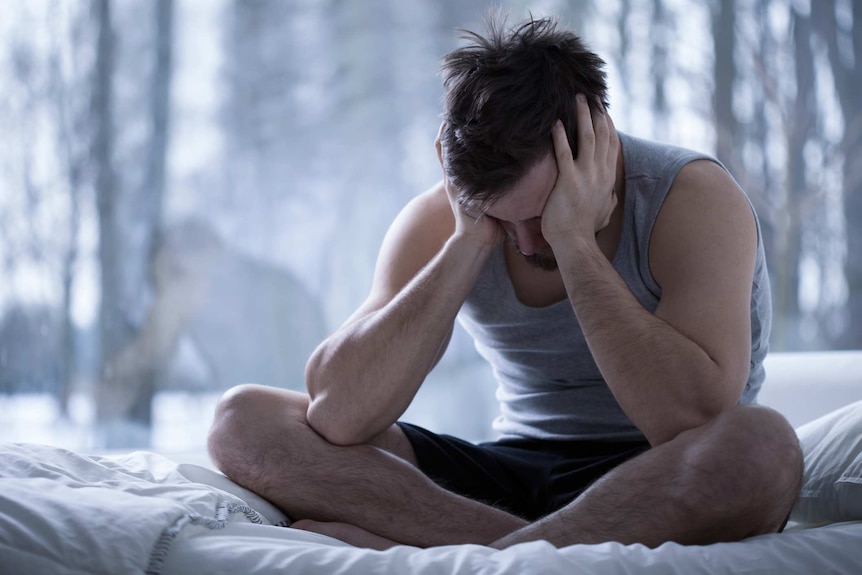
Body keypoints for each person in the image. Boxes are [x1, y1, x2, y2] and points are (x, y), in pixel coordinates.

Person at [206, 15, 803, 550]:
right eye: (502, 218)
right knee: (244, 420)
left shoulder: (692, 199)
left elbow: (691, 419)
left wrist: (574, 244)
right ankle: (524, 549)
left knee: (762, 448)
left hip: (656, 472)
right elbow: (338, 414)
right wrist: (468, 240)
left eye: (541, 215)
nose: (524, 243)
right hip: (506, 473)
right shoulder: (449, 218)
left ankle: (453, 549)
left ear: (596, 139)